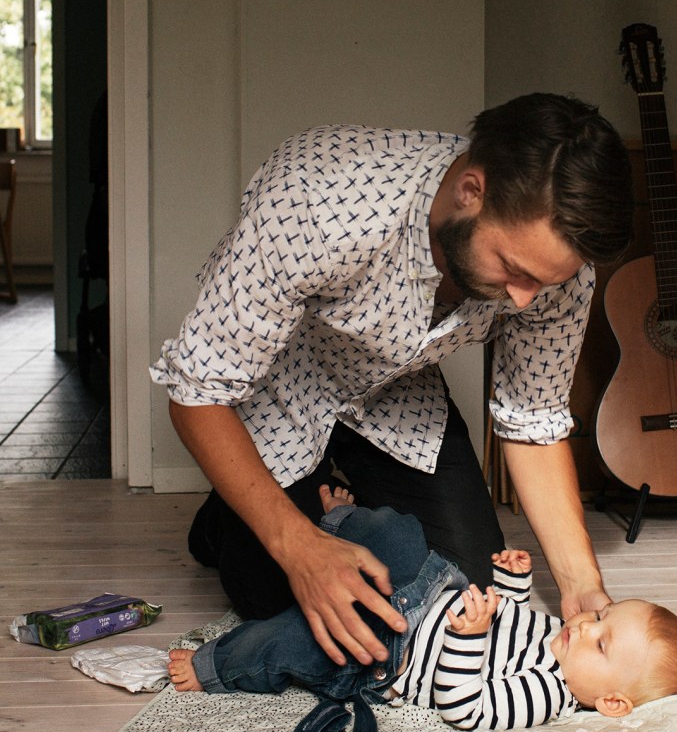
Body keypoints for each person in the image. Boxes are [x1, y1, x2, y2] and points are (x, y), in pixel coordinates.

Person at [150, 93, 635, 670]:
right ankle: (224, 519)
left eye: (544, 282)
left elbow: (533, 418)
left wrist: (582, 586)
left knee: (461, 597)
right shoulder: (315, 198)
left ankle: (325, 503)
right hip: (279, 384)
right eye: (513, 269)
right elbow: (197, 393)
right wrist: (298, 546)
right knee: (286, 602)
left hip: (394, 396)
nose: (526, 299)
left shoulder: (558, 273)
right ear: (471, 192)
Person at [166, 486, 677, 732]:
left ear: (612, 703)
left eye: (601, 642)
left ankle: (214, 665)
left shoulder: (547, 694)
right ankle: (335, 522)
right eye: (601, 619)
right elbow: (509, 617)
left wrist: (469, 637)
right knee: (399, 532)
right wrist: (512, 582)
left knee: (293, 640)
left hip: (390, 649)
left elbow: (463, 706)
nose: (586, 625)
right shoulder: (565, 639)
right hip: (431, 588)